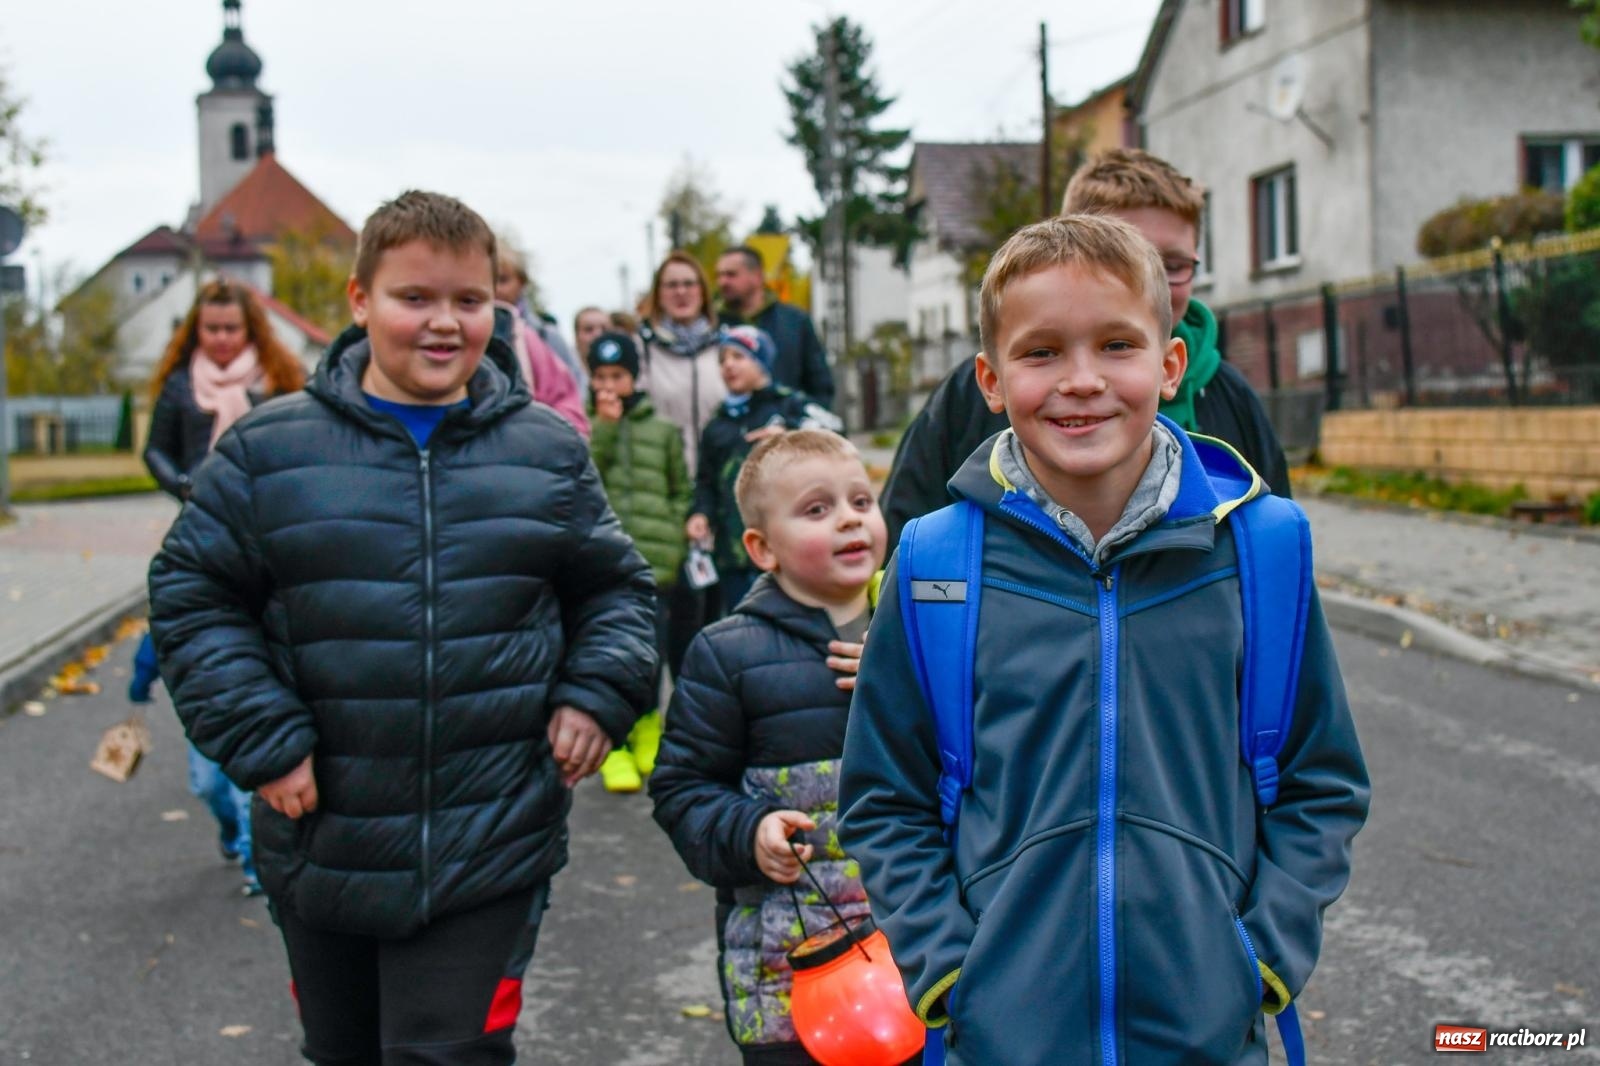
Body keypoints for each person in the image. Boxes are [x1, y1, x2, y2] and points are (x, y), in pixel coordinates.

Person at [839, 215, 1369, 1064]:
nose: (1081, 381)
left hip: (1208, 1034)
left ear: (1169, 364)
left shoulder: (1263, 549)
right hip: (1003, 1037)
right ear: (989, 377)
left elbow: (1321, 780)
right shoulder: (937, 561)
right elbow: (884, 794)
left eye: (1116, 345)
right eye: (1041, 352)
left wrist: (1260, 959)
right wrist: (949, 972)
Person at [149, 190, 658, 1066]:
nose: (444, 324)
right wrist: (262, 738)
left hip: (492, 833)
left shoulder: (543, 450)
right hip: (322, 836)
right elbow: (192, 595)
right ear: (359, 302)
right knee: (344, 1052)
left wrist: (596, 692)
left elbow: (615, 591)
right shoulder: (270, 451)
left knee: (447, 1054)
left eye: (468, 301)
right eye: (413, 298)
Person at [879, 147, 1292, 545]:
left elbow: (1271, 551)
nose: (1151, 280)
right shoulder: (972, 397)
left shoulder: (1230, 397)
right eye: (1121, 253)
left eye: (1174, 265)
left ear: (1171, 368)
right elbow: (907, 545)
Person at [651, 429, 892, 1066]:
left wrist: (906, 671)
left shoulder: (923, 625)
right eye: (817, 509)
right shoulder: (728, 653)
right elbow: (682, 788)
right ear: (761, 548)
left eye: (862, 502)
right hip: (794, 975)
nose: (849, 519)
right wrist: (748, 830)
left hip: (917, 958)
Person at [137, 276, 307, 898]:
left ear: (251, 329)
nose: (223, 339)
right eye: (212, 329)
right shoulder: (182, 386)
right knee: (208, 652)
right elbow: (153, 452)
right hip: (200, 530)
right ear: (196, 330)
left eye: (232, 329)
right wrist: (184, 484)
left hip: (272, 535)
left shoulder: (278, 381)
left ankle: (260, 843)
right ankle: (232, 821)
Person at [585, 329, 690, 793]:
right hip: (604, 566)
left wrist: (674, 535)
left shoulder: (663, 431)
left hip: (656, 563)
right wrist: (603, 429)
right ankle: (616, 742)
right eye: (601, 377)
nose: (610, 385)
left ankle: (649, 727)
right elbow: (584, 481)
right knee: (609, 655)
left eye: (618, 376)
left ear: (634, 377)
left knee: (650, 653)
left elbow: (680, 490)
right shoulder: (586, 429)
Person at [687, 326, 841, 614]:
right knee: (745, 620)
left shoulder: (789, 404)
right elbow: (705, 481)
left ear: (761, 362)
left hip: (788, 544)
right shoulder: (716, 425)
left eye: (738, 356)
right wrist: (700, 513)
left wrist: (789, 434)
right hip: (733, 552)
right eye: (722, 359)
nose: (728, 365)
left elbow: (834, 429)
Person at [716, 245, 835, 410]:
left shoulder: (795, 321)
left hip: (788, 429)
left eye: (731, 275)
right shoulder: (713, 325)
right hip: (731, 430)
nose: (722, 282)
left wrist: (802, 423)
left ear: (757, 276)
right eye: (719, 275)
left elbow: (820, 384)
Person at [495, 240, 588, 392]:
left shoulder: (546, 335)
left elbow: (575, 389)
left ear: (522, 283)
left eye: (503, 280)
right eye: (488, 280)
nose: (495, 289)